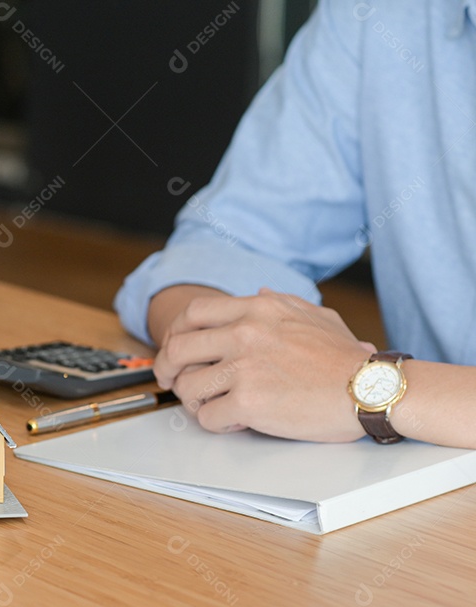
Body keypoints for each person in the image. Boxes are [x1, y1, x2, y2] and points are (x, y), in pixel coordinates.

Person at [117, 0, 476, 450]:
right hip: (418, 478)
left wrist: (367, 387)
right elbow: (228, 244)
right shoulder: (376, 13)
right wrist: (254, 350)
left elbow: (347, 385)